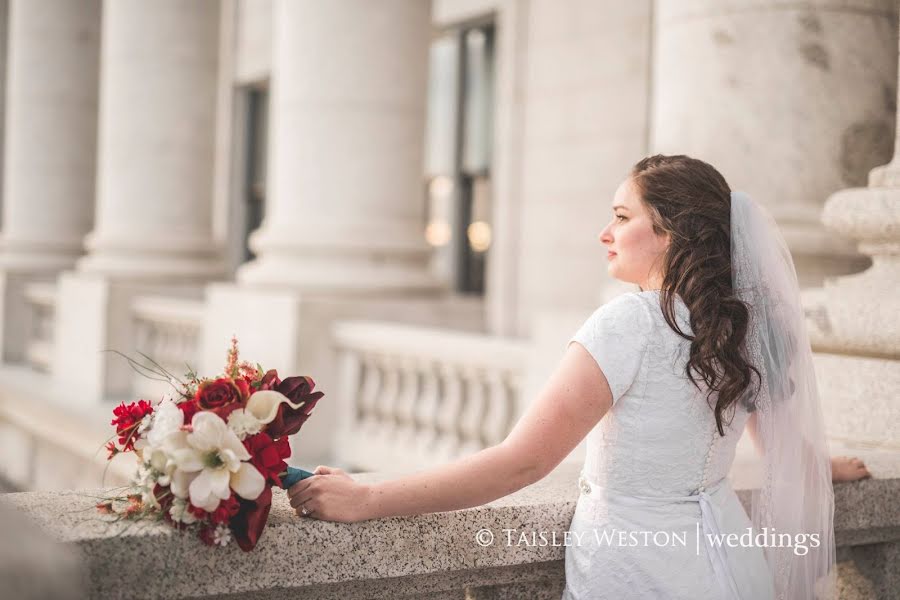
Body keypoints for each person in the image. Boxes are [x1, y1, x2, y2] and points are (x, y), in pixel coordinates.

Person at [288, 154, 869, 599]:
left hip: (636, 570)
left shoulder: (632, 322)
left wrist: (367, 497)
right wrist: (822, 467)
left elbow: (524, 462)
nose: (604, 233)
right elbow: (781, 447)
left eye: (622, 217)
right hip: (731, 562)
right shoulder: (738, 329)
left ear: (674, 234)